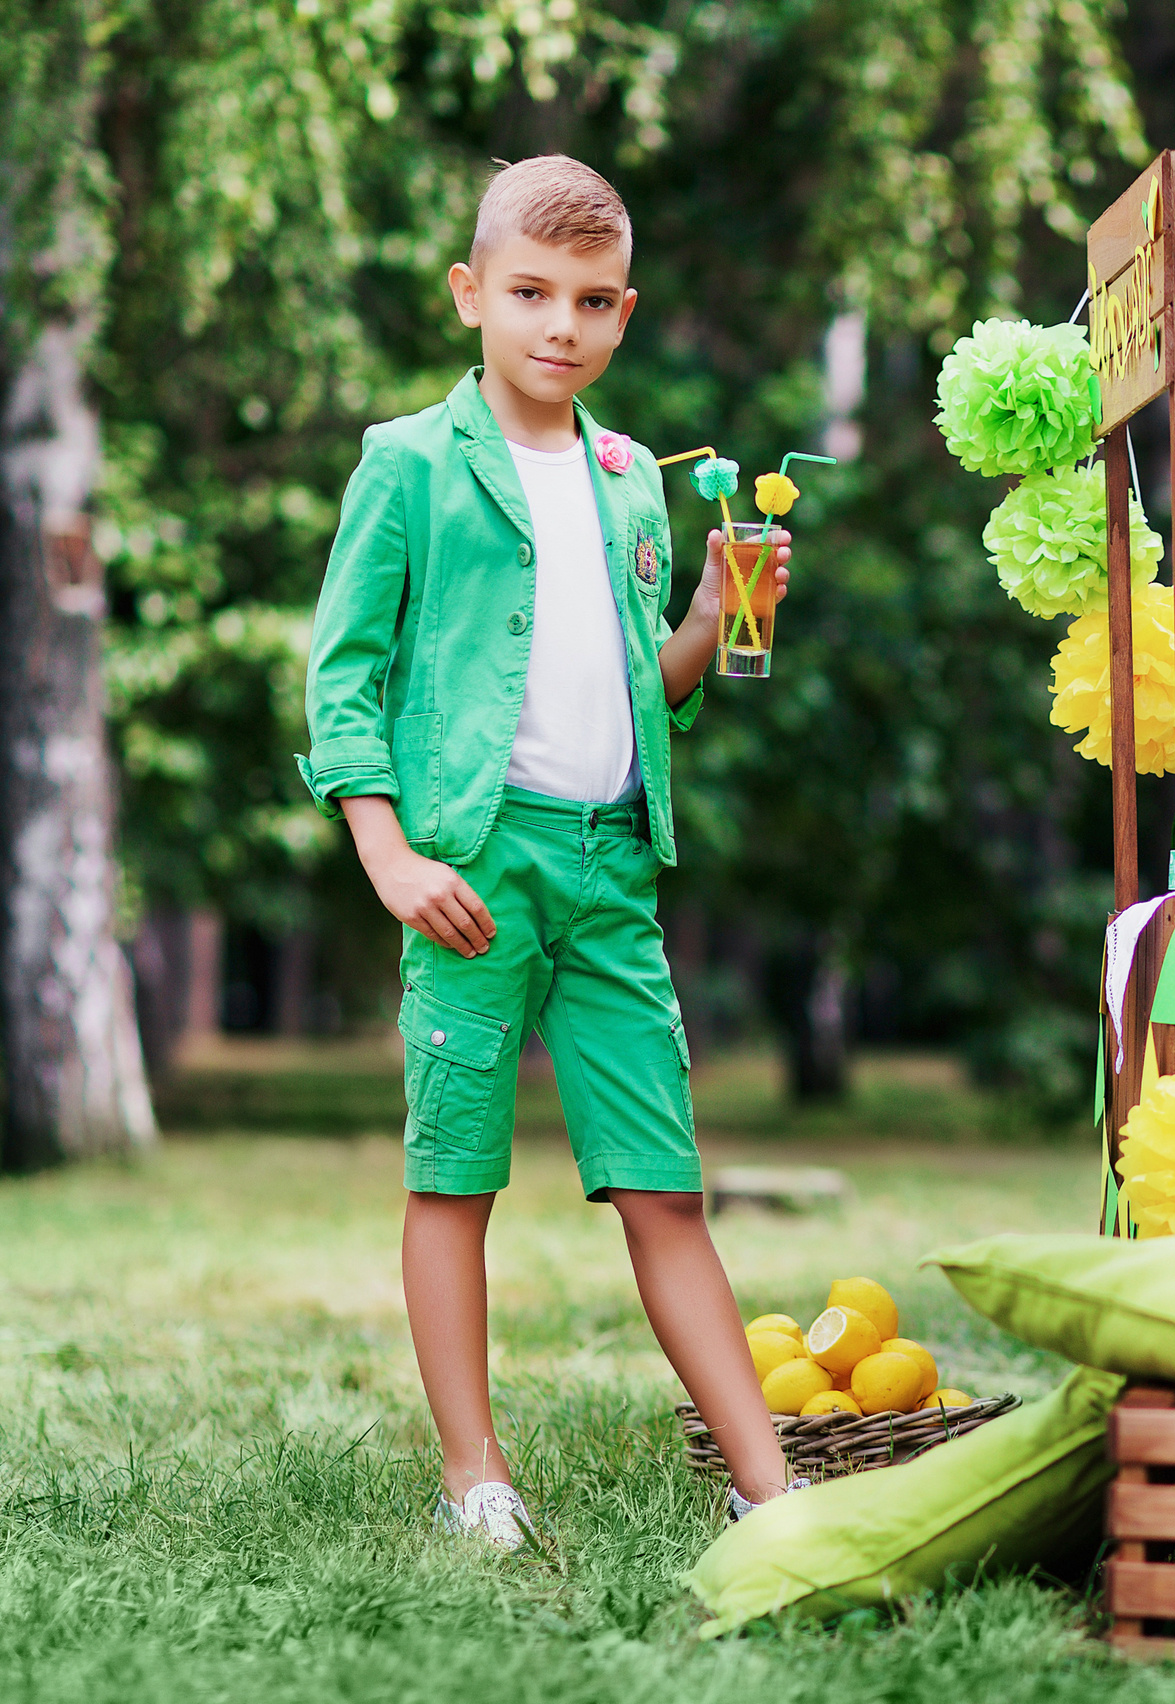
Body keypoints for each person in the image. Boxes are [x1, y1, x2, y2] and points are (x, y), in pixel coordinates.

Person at [296, 155, 798, 1548]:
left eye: (588, 301)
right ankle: (475, 1474)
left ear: (624, 315)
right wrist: (389, 858)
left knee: (665, 1183)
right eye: (528, 294)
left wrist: (713, 607)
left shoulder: (634, 481)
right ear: (472, 295)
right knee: (454, 1175)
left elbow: (661, 682)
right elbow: (343, 682)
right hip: (471, 868)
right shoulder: (407, 464)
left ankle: (775, 1490)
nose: (557, 326)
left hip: (612, 874)